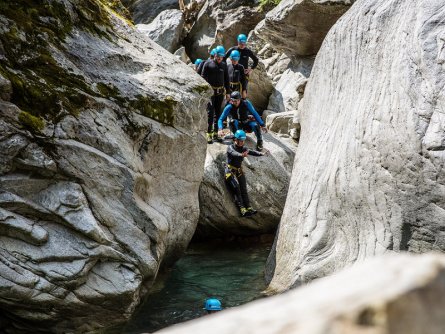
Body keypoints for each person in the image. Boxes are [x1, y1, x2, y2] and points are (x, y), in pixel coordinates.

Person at [224, 130, 265, 217]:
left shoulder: (244, 148)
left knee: (244, 189)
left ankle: (248, 207)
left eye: (243, 140)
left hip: (238, 171)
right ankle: (242, 209)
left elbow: (252, 152)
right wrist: (241, 155)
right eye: (240, 140)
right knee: (237, 189)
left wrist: (261, 153)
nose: (242, 142)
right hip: (229, 172)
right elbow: (234, 153)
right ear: (236, 139)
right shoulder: (230, 147)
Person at [201, 45, 231, 144]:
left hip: (220, 93)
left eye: (221, 57)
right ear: (215, 55)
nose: (219, 58)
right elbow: (203, 78)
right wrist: (204, 93)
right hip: (211, 93)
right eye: (218, 56)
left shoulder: (223, 65)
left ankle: (215, 134)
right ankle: (209, 134)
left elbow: (227, 79)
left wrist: (228, 93)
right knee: (210, 113)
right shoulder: (208, 64)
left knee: (218, 113)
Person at [224, 34, 258, 99]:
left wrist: (251, 69)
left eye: (244, 43)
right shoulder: (233, 49)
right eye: (240, 43)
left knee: (243, 92)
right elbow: (224, 58)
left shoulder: (247, 51)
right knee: (230, 90)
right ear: (238, 42)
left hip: (243, 74)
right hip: (232, 72)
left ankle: (242, 104)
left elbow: (256, 60)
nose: (242, 45)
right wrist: (226, 68)